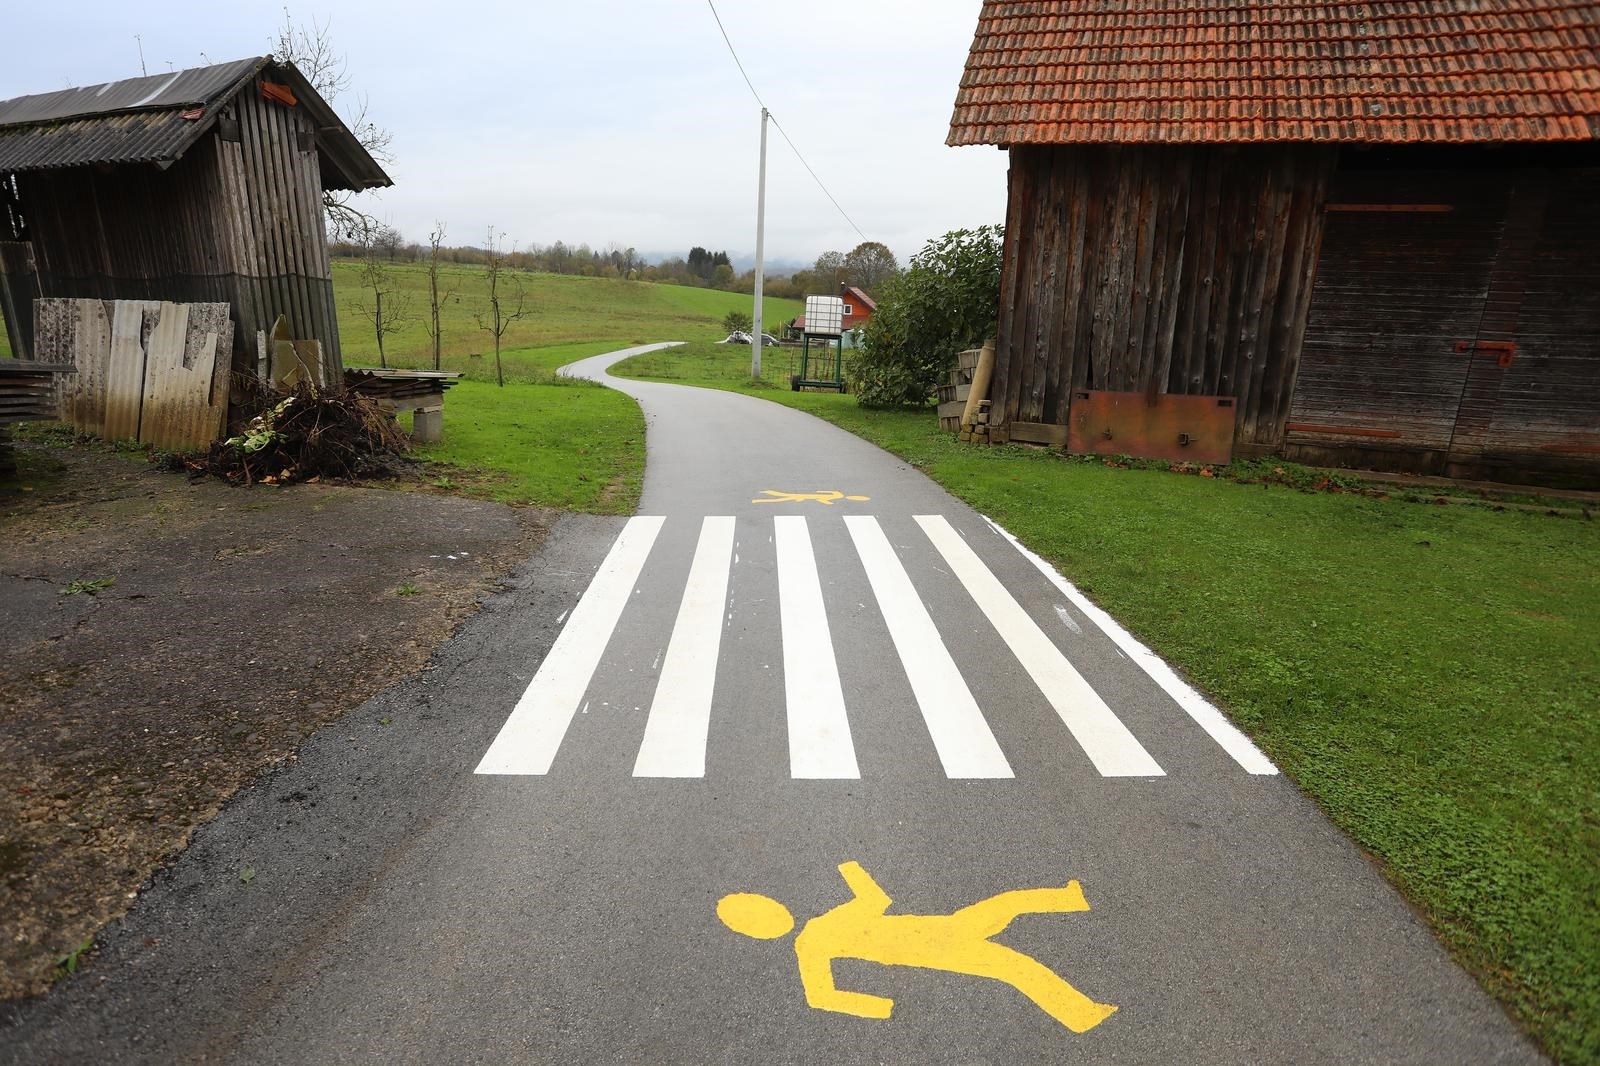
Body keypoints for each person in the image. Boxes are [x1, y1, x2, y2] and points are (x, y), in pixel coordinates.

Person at [717, 861, 1117, 1033]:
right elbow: (877, 902)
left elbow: (824, 994)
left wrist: (876, 1005)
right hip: (930, 946)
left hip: (934, 935)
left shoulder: (813, 938)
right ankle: (1081, 1012)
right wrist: (851, 870)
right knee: (1011, 960)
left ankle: (1071, 905)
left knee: (1010, 944)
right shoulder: (817, 933)